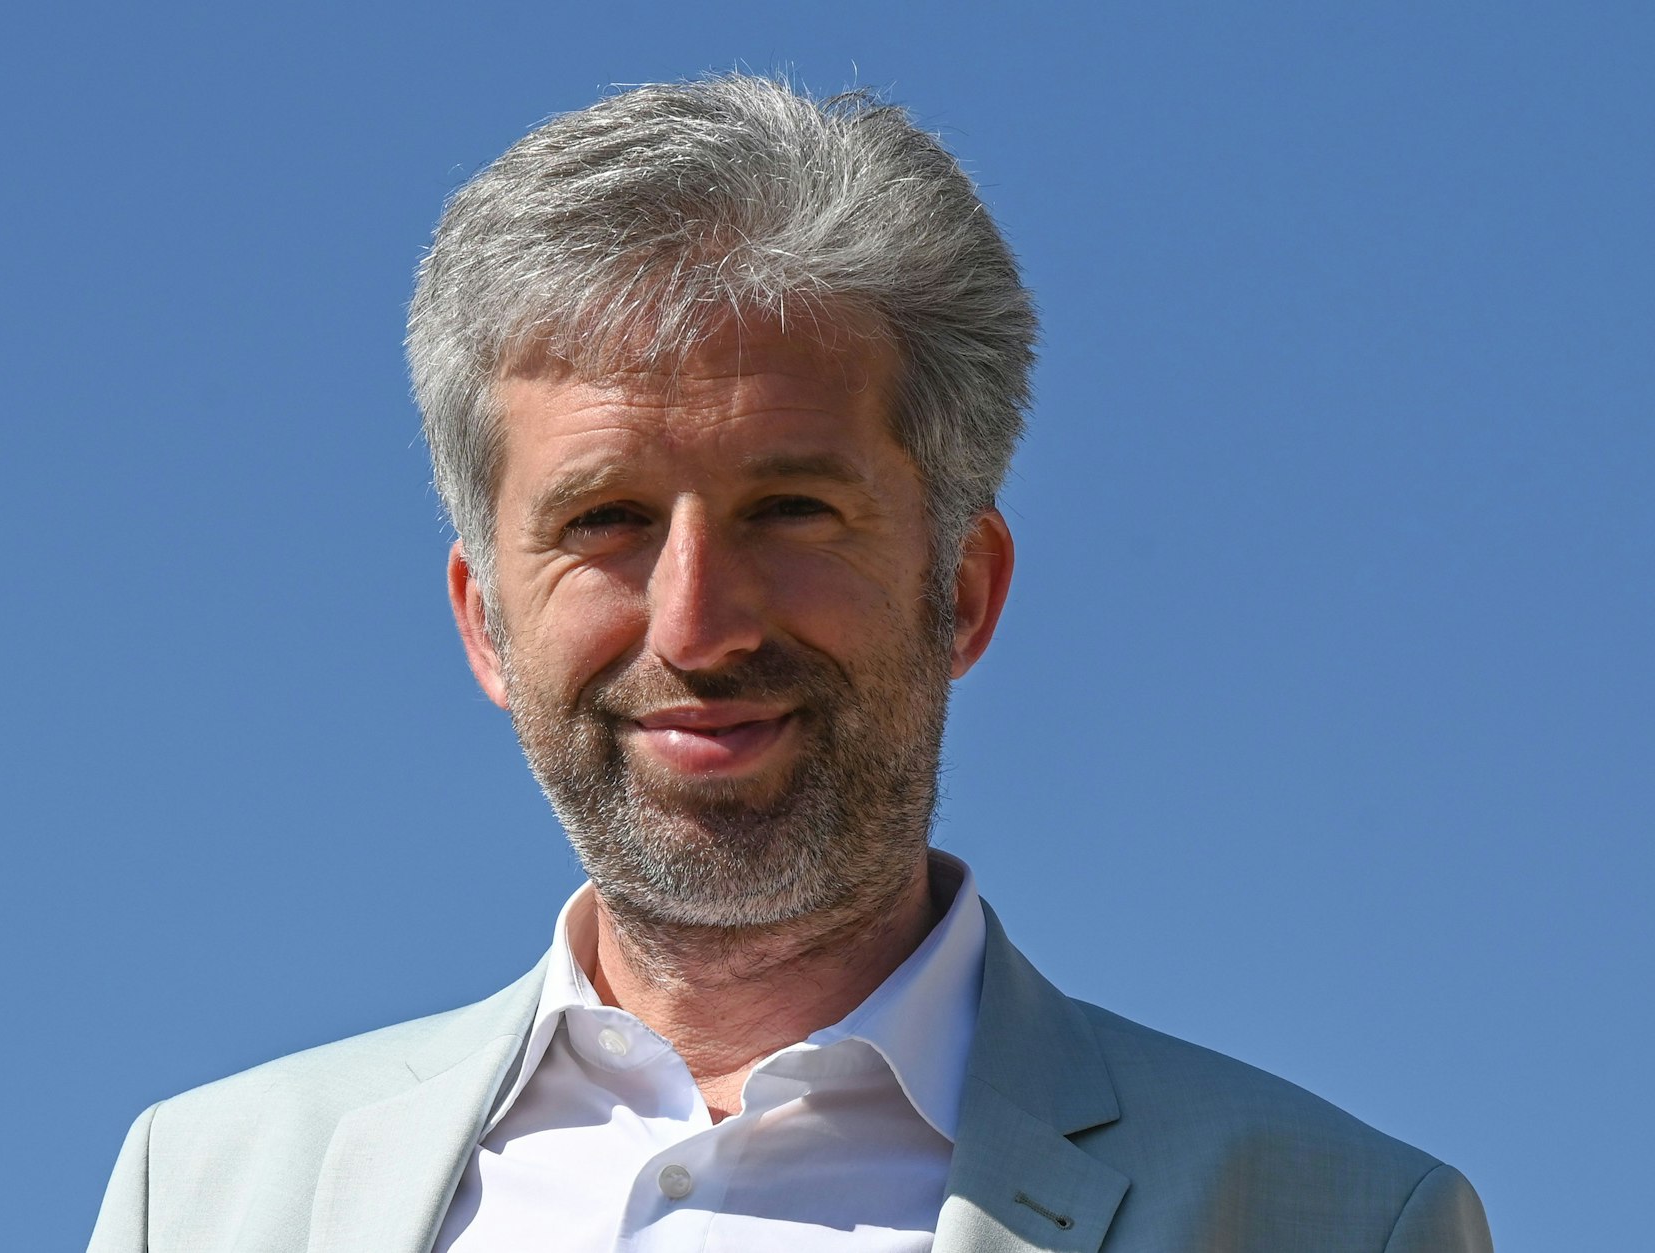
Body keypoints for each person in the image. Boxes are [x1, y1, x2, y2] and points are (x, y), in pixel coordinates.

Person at [87, 75, 1492, 1252]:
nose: (698, 626)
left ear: (963, 588)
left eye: (793, 510)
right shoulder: (204, 1195)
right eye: (605, 520)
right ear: (484, 621)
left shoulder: (1337, 1223)